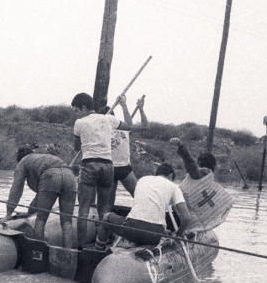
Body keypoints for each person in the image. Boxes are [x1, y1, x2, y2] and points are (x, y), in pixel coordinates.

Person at [70, 92, 131, 249]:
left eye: (76, 110)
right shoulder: (108, 119)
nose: (76, 114)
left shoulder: (79, 123)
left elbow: (77, 147)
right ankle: (100, 245)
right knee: (104, 209)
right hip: (108, 166)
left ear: (83, 107)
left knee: (83, 208)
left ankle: (81, 247)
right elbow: (128, 126)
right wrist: (124, 106)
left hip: (90, 164)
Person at [0, 146, 77, 248]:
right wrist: (29, 212)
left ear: (19, 158)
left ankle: (38, 251)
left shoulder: (23, 162)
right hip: (70, 176)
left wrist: (9, 213)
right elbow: (41, 195)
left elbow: (16, 188)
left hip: (51, 175)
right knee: (67, 222)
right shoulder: (40, 158)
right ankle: (69, 254)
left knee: (41, 219)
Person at [102, 162, 193, 247]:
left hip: (132, 229)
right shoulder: (174, 187)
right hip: (155, 236)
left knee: (105, 216)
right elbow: (187, 218)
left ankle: (99, 247)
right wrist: (178, 235)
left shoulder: (142, 180)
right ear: (170, 176)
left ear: (156, 174)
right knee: (156, 230)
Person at [170, 137, 235, 231]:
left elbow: (189, 162)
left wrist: (181, 146)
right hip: (194, 223)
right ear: (214, 165)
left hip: (177, 217)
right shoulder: (210, 182)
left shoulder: (197, 175)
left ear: (199, 163)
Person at [109, 94, 140, 201]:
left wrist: (124, 105)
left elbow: (129, 124)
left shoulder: (122, 127)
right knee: (109, 199)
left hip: (124, 167)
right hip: (109, 168)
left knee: (138, 195)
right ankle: (107, 216)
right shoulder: (100, 129)